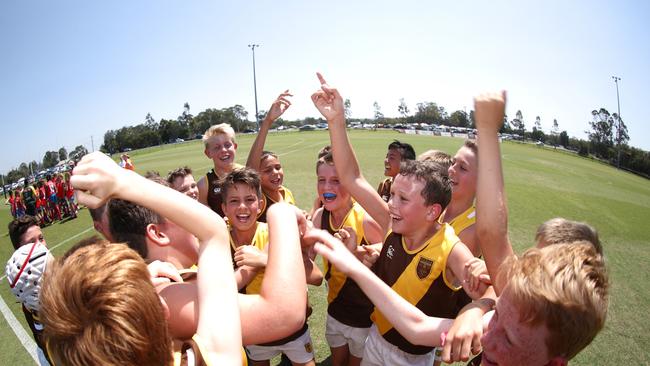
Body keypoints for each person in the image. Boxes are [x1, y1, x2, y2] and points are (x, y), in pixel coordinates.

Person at [311, 73, 495, 366]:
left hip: (412, 359)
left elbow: (491, 288)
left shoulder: (450, 247)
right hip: (376, 340)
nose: (390, 204)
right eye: (392, 194)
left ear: (432, 211)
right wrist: (336, 120)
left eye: (402, 199)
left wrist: (477, 309)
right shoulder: (393, 221)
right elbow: (352, 177)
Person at [75, 152, 307, 346]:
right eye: (183, 213)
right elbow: (283, 315)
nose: (194, 218)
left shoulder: (168, 281)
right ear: (158, 234)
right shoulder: (169, 298)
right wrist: (282, 213)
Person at [469, 91, 609, 365]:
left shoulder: (540, 310)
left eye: (509, 337)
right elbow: (491, 234)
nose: (486, 339)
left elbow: (492, 234)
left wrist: (487, 129)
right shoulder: (522, 302)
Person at [40, 238, 243, 365]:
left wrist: (129, 286)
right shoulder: (208, 358)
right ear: (163, 310)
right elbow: (213, 234)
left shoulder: (63, 345)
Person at [222, 168, 322, 366]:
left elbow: (317, 277)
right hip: (253, 328)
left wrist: (264, 260)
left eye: (249, 200)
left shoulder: (274, 233)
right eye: (234, 201)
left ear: (260, 205)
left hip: (292, 329)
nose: (243, 207)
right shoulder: (219, 241)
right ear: (224, 208)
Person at [311, 148, 384, 366]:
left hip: (364, 317)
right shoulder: (319, 216)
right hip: (334, 310)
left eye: (336, 180)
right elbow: (306, 259)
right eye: (321, 180)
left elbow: (389, 263)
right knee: (337, 361)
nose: (327, 187)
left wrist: (362, 254)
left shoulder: (365, 220)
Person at [245, 90, 298, 222]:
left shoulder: (286, 192)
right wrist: (268, 121)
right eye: (268, 170)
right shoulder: (259, 199)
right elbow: (250, 170)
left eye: (278, 167)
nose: (275, 173)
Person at [7, 215, 52, 365]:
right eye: (32, 242)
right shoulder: (34, 298)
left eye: (41, 238)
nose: (41, 246)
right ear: (20, 253)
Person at [197, 123, 242, 217]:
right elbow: (205, 218)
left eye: (227, 145)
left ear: (235, 147)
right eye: (217, 147)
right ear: (208, 153)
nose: (223, 150)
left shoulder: (246, 172)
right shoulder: (204, 185)